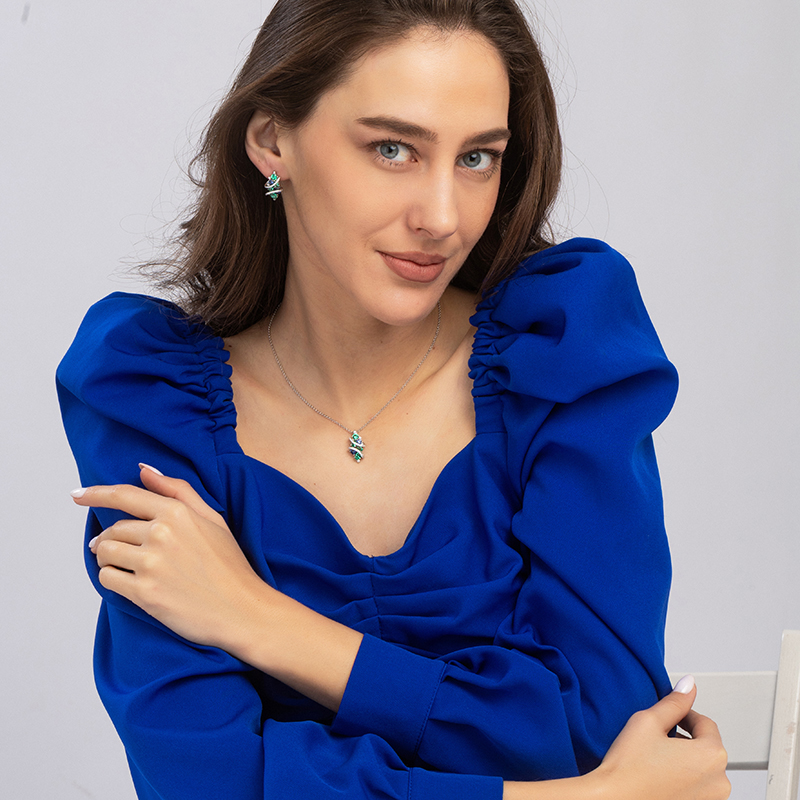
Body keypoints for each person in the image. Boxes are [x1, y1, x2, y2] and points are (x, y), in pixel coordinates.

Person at [57, 1, 730, 798]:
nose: (442, 217)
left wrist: (258, 619)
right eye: (392, 149)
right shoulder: (153, 403)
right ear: (272, 141)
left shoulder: (561, 355)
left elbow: (587, 725)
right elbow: (206, 779)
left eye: (477, 158)